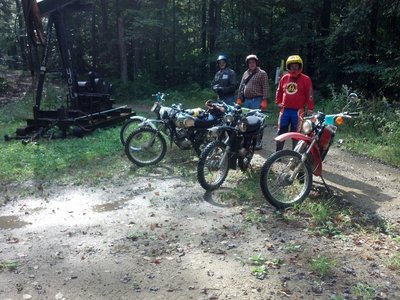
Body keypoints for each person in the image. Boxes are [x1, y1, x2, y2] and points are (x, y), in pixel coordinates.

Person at [275, 54, 314, 151]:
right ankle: (278, 153)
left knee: (296, 133)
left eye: (296, 66)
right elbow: (279, 91)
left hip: (298, 111)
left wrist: (310, 108)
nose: (294, 69)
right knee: (281, 131)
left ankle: (295, 155)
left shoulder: (306, 79)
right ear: (288, 67)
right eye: (292, 67)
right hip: (285, 110)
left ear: (300, 67)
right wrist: (278, 102)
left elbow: (310, 94)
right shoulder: (284, 78)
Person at [237, 54, 269, 150]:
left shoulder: (262, 73)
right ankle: (247, 140)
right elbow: (241, 86)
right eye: (250, 62)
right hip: (246, 101)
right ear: (248, 64)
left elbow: (265, 87)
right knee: (245, 121)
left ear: (256, 63)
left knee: (258, 121)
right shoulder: (245, 73)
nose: (251, 64)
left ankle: (258, 141)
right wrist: (239, 98)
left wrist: (264, 100)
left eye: (253, 62)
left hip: (257, 100)